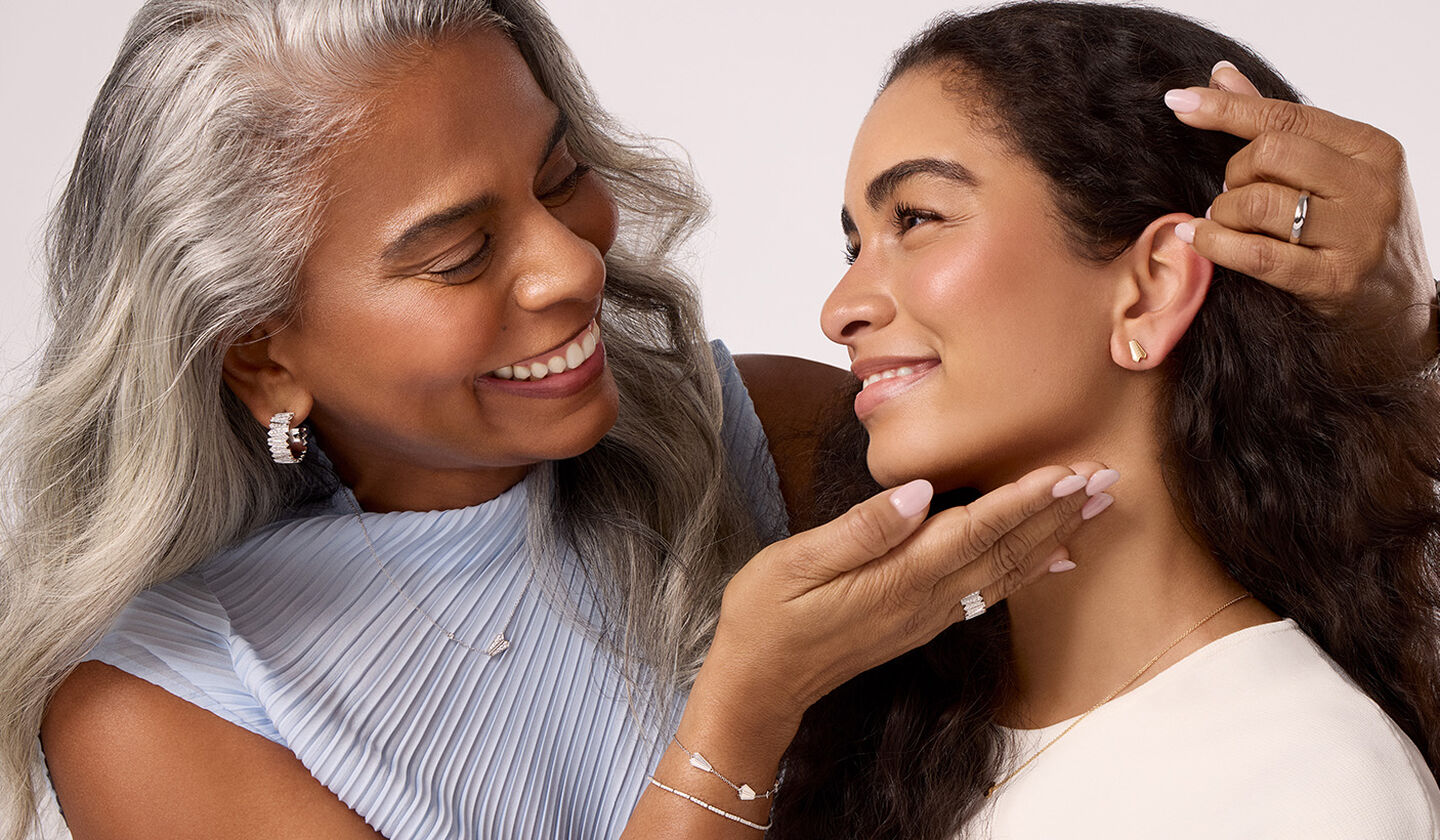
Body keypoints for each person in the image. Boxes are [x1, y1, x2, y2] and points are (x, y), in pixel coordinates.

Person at [1, 3, 1433, 840]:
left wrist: (1358, 310)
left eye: (562, 179)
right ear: (262, 356)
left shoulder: (759, 439)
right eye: (456, 252)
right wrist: (735, 715)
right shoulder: (165, 711)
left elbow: (1172, 477)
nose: (573, 266)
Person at [763, 4, 1440, 838]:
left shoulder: (1305, 785)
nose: (840, 310)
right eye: (853, 247)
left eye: (916, 218)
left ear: (1152, 286)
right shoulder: (892, 733)